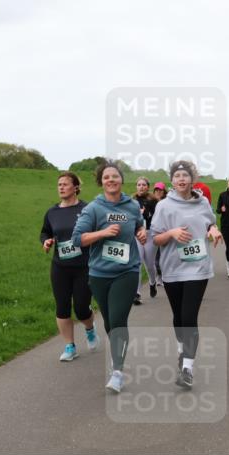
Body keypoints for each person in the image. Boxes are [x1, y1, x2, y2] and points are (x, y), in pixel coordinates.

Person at [72, 161, 147, 394]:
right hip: (99, 273)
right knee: (109, 321)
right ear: (101, 182)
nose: (111, 180)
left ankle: (117, 372)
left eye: (115, 176)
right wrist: (103, 232)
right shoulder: (94, 209)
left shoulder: (132, 205)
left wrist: (142, 233)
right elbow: (77, 239)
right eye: (106, 177)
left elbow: (139, 225)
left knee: (118, 319)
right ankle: (117, 358)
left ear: (121, 180)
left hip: (127, 271)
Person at [151, 160, 222, 388]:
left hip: (198, 267)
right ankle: (182, 351)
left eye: (185, 175)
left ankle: (187, 368)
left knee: (190, 317)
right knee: (179, 317)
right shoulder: (163, 206)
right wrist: (171, 233)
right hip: (172, 268)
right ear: (172, 180)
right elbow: (156, 239)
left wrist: (214, 230)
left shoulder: (202, 203)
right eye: (177, 176)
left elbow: (211, 222)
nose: (181, 179)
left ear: (192, 179)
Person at [41, 172, 100, 361]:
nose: (61, 187)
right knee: (62, 307)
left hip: (84, 266)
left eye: (65, 184)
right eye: (59, 184)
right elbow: (45, 232)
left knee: (82, 308)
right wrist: (47, 241)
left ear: (76, 187)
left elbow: (97, 231)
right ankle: (70, 346)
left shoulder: (87, 209)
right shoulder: (52, 212)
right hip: (60, 266)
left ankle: (90, 328)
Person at [132, 177, 159, 304]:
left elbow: (157, 219)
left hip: (150, 234)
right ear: (136, 186)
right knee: (137, 263)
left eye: (144, 185)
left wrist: (145, 213)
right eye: (139, 184)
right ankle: (136, 293)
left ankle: (152, 282)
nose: (141, 187)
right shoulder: (131, 201)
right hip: (136, 235)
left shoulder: (154, 201)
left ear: (148, 187)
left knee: (149, 264)